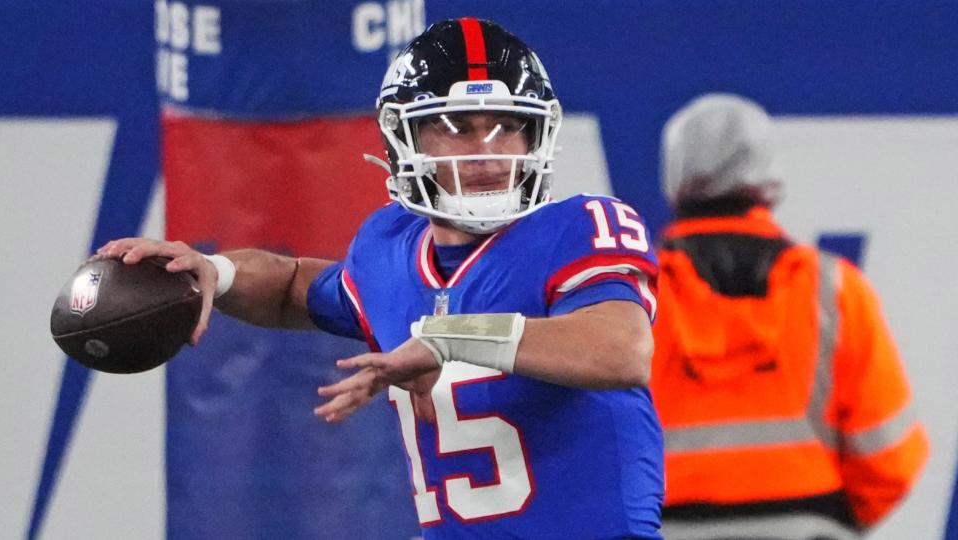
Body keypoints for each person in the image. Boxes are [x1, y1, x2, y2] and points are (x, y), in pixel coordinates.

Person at [99, 18, 664, 539]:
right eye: (458, 129)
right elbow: (293, 285)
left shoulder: (579, 228)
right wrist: (212, 272)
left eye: (508, 127)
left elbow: (619, 350)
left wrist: (448, 338)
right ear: (403, 142)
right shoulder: (390, 249)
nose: (488, 154)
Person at [650, 93, 929, 539]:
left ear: (674, 174)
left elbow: (587, 449)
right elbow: (892, 458)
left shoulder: (632, 294)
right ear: (768, 176)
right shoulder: (834, 289)